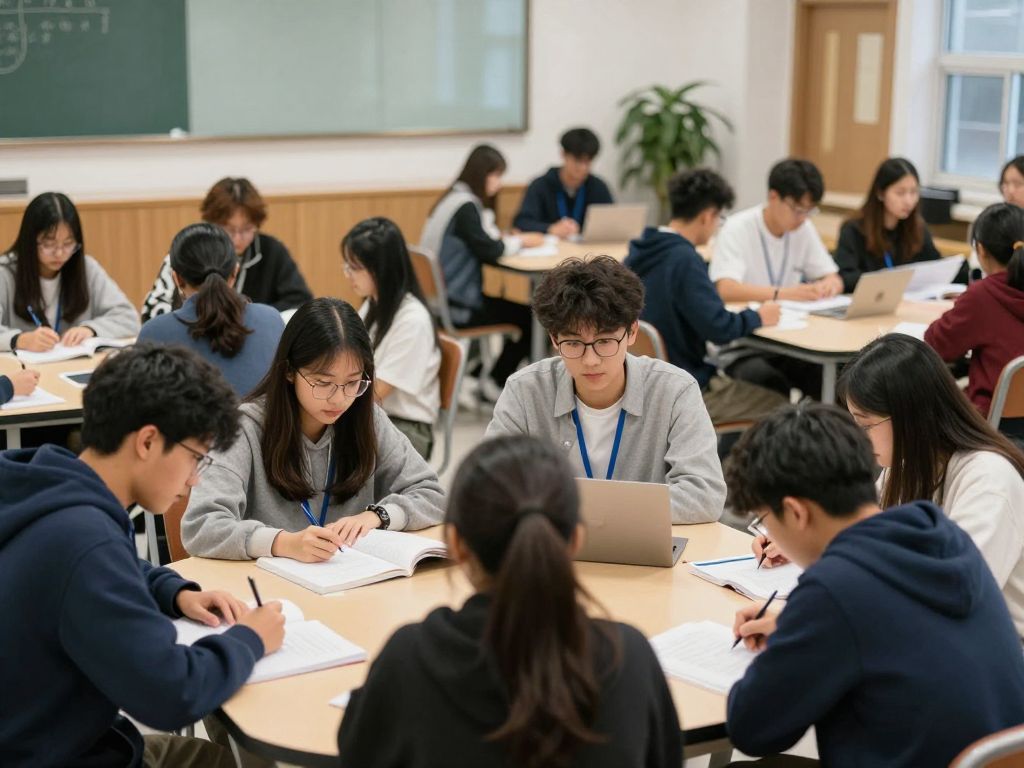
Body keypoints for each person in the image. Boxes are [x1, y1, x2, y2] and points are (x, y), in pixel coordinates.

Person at [0, 343, 286, 767]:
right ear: (148, 441)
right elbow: (173, 694)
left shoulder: (47, 481)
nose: (192, 481)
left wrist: (172, 591)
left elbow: (96, 570)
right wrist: (250, 640)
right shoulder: (86, 542)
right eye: (195, 457)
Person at [337, 434, 682, 768]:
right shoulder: (628, 657)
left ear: (455, 544)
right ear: (575, 540)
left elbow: (359, 751)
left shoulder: (410, 659)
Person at [725, 402, 1024, 768]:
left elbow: (753, 728)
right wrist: (797, 626)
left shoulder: (833, 589)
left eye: (766, 519)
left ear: (797, 512)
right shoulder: (938, 532)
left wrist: (799, 630)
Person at [755, 334, 1024, 639]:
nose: (858, 438)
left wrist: (810, 621)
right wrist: (800, 540)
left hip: (998, 652)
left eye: (864, 424)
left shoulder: (989, 480)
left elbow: (951, 594)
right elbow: (864, 535)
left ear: (911, 416)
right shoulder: (908, 461)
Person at [182, 297, 445, 561]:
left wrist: (378, 516)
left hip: (350, 585)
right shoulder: (243, 428)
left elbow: (432, 495)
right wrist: (282, 543)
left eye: (353, 382)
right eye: (323, 382)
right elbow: (201, 526)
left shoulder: (367, 419)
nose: (339, 398)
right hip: (271, 589)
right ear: (289, 371)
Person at [486, 255, 725, 524]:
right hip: (553, 548)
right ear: (554, 338)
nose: (591, 360)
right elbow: (490, 483)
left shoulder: (674, 391)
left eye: (605, 341)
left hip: (640, 551)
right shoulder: (525, 390)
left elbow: (704, 494)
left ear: (632, 332)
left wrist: (593, 511)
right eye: (574, 344)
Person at [625, 168, 787, 424]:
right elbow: (719, 327)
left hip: (643, 380)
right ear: (707, 216)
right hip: (685, 385)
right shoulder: (685, 260)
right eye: (718, 219)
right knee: (781, 406)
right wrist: (758, 316)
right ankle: (732, 463)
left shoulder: (641, 250)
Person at [709, 159, 842, 399]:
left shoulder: (803, 229)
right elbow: (725, 289)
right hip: (743, 346)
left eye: (809, 210)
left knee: (835, 380)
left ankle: (821, 436)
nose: (803, 218)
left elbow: (832, 275)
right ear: (773, 197)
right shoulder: (738, 228)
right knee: (771, 386)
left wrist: (828, 285)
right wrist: (784, 293)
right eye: (798, 209)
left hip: (791, 343)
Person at [420, 145, 543, 391]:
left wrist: (503, 239)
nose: (498, 184)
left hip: (439, 302)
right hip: (460, 307)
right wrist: (519, 241)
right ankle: (494, 381)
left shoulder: (451, 198)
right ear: (481, 174)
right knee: (534, 318)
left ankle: (479, 375)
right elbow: (491, 250)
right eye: (496, 176)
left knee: (524, 314)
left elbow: (482, 240)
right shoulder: (466, 206)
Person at [138, 223, 285, 397]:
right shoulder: (271, 320)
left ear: (176, 278)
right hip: (263, 425)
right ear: (234, 272)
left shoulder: (155, 332)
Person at [140, 177, 312, 323]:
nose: (237, 239)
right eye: (229, 229)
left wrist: (251, 316)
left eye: (247, 229)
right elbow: (151, 313)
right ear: (211, 222)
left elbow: (301, 301)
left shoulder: (272, 250)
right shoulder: (188, 250)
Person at [342, 217, 440, 459]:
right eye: (347, 266)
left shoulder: (412, 320)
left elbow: (376, 391)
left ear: (381, 269)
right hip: (377, 415)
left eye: (355, 268)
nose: (348, 275)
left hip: (407, 428)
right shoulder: (374, 303)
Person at [925, 202, 1024, 434]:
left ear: (980, 250)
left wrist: (961, 306)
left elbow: (936, 344)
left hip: (994, 428)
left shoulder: (983, 296)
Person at [0, 192, 140, 353]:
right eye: (48, 244)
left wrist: (91, 329)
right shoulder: (5, 273)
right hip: (23, 372)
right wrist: (19, 340)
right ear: (30, 241)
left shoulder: (87, 268)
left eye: (68, 243)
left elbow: (129, 318)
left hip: (70, 368)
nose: (60, 253)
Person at [834, 157, 960, 293]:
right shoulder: (853, 229)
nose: (909, 201)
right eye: (900, 193)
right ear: (880, 193)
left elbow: (934, 266)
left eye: (913, 192)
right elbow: (846, 278)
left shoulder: (917, 228)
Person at [512, 127, 615, 238]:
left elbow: (612, 222)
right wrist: (550, 228)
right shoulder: (540, 186)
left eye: (588, 162)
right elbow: (522, 222)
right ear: (563, 154)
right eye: (578, 161)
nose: (583, 168)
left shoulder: (598, 187)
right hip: (552, 250)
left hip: (589, 250)